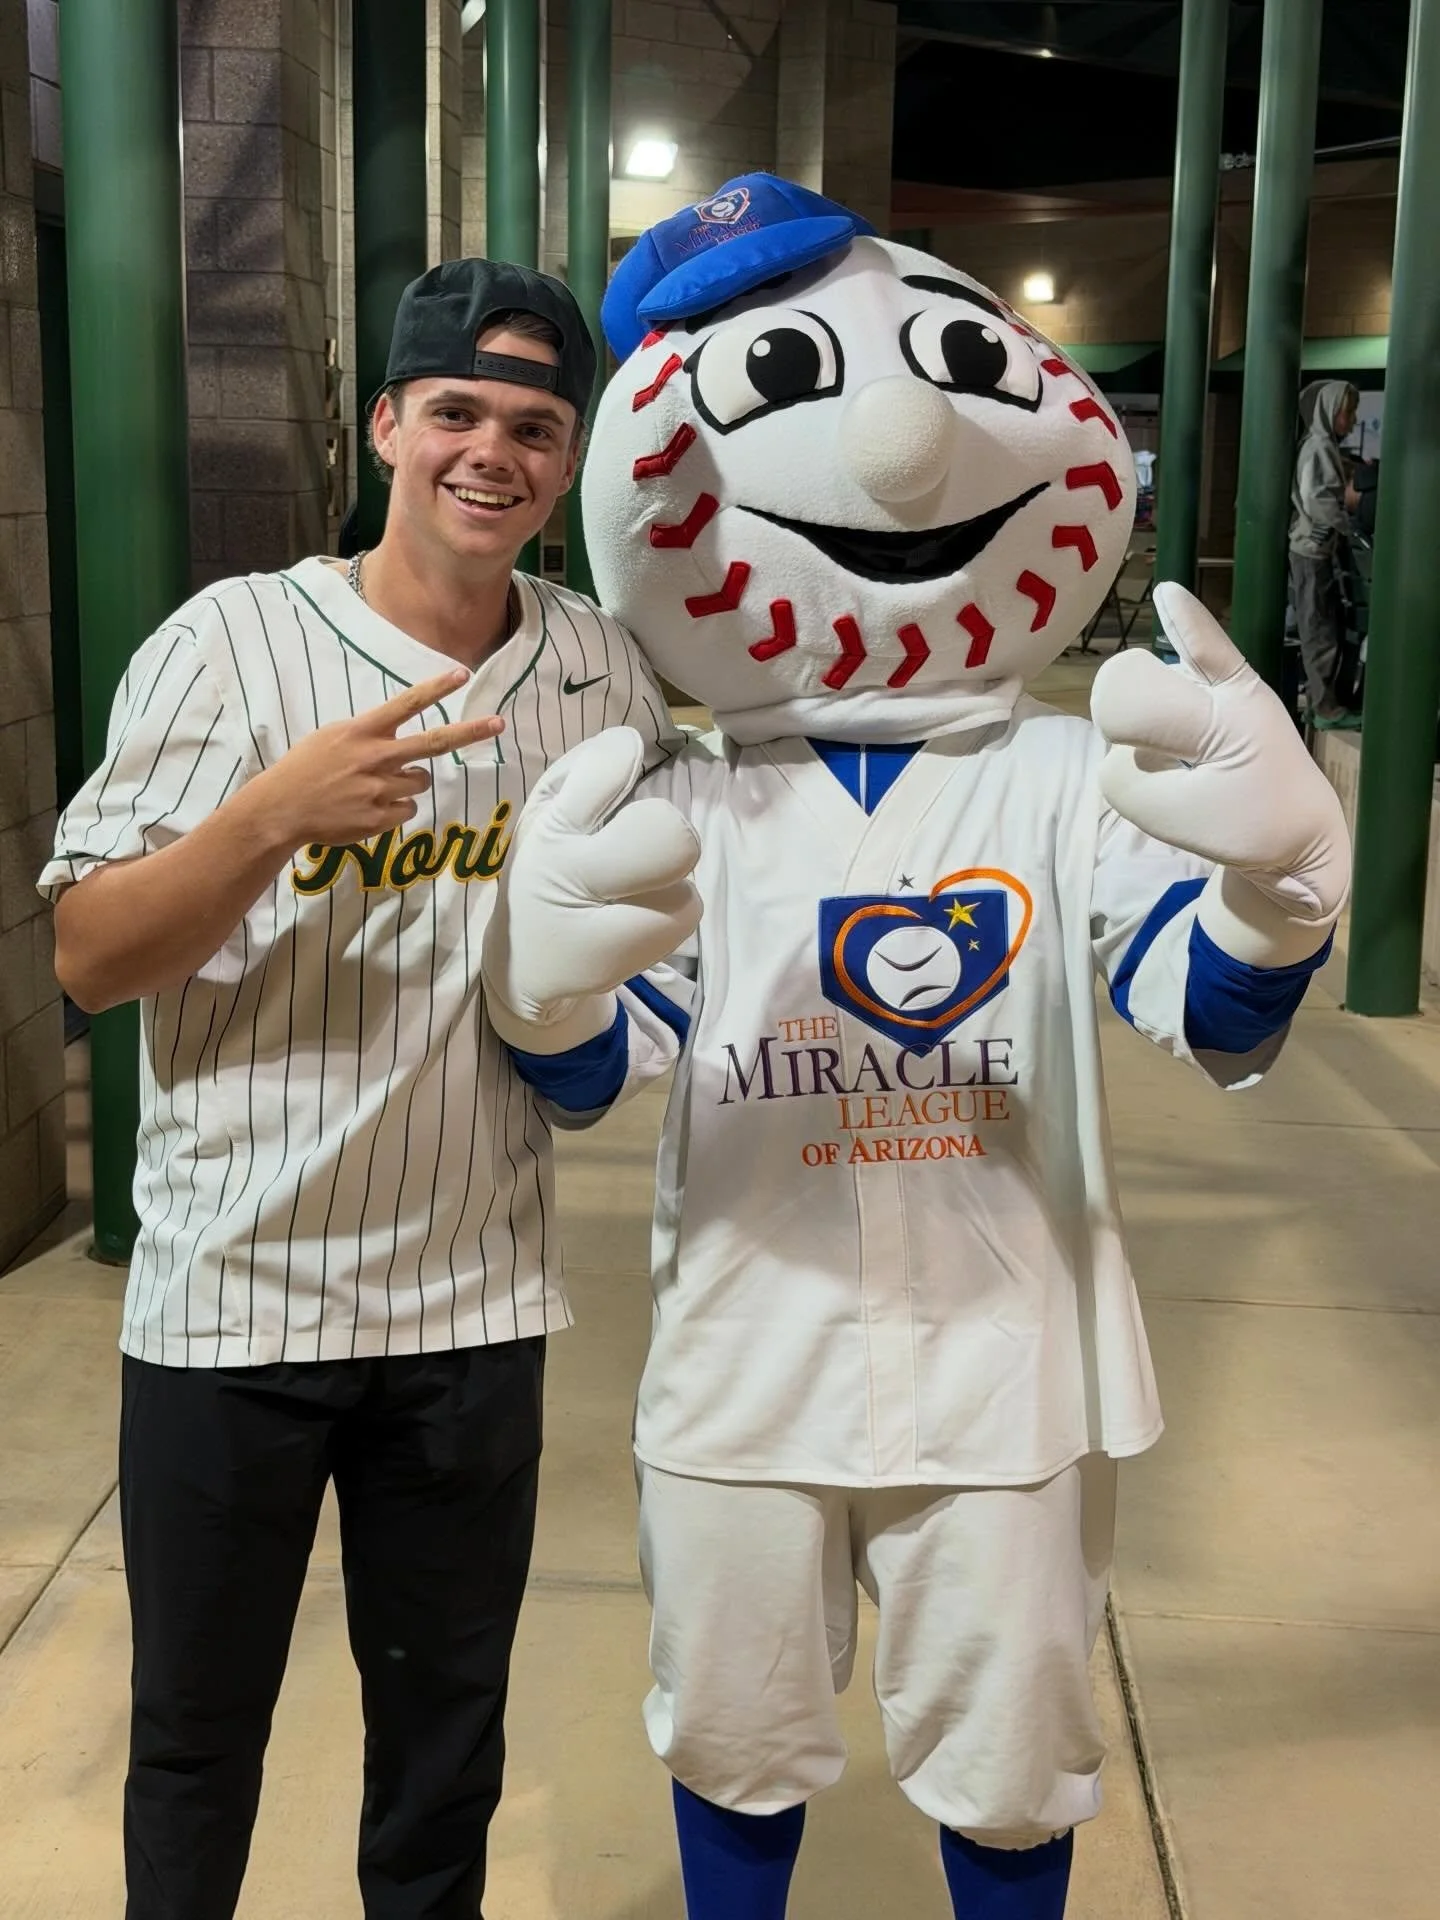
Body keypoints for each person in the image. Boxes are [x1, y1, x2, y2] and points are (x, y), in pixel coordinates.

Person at [477, 183, 1350, 1919]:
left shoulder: (1048, 778)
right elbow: (589, 1074)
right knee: (731, 1736)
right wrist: (543, 987)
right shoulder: (686, 799)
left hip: (1004, 1371)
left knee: (1014, 1763)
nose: (891, 441)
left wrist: (1275, 898)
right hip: (746, 1364)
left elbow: (1204, 1005)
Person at [38, 259, 697, 1920]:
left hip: (469, 1308)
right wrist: (270, 815)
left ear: (571, 455)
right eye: (459, 412)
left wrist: (614, 1035)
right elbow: (89, 960)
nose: (494, 453)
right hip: (233, 1308)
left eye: (536, 426)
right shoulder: (234, 643)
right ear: (392, 423)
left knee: (442, 1752)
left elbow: (653, 952)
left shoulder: (598, 673)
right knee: (196, 1745)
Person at [1289, 379, 1362, 729]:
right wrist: (1347, 526)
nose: (1353, 420)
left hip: (1315, 549)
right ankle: (1324, 708)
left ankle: (1323, 703)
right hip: (1312, 550)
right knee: (1318, 627)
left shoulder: (1322, 445)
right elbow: (1317, 499)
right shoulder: (1318, 447)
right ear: (1331, 411)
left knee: (1321, 624)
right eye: (1349, 412)